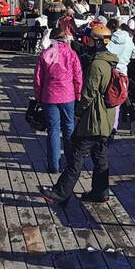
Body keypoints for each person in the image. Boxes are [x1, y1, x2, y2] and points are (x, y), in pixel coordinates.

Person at [44, 23, 118, 206]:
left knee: (76, 156)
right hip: (106, 118)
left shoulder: (97, 64)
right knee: (100, 157)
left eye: (91, 40)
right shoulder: (110, 61)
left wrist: (78, 112)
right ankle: (101, 192)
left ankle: (60, 193)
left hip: (93, 118)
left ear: (97, 42)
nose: (88, 43)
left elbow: (88, 93)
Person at [35, 24, 82, 174]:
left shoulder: (45, 54)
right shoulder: (72, 54)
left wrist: (38, 95)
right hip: (68, 95)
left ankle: (53, 165)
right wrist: (78, 94)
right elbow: (78, 76)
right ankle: (70, 162)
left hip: (49, 96)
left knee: (53, 130)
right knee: (69, 128)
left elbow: (38, 79)